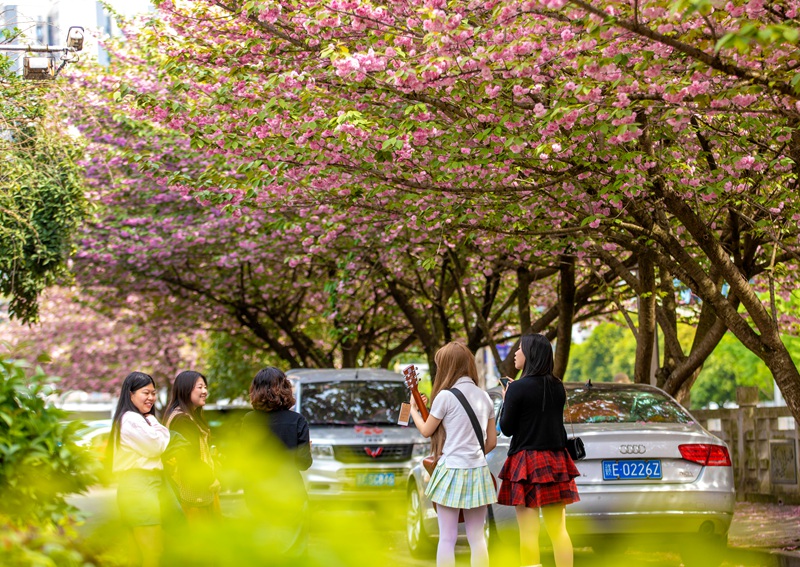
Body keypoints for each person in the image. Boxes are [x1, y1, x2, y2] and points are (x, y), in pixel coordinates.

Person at [409, 342, 497, 567]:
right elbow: (492, 442)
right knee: (477, 538)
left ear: (447, 366)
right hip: (478, 472)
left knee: (447, 538)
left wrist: (413, 410)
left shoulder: (445, 397)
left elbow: (427, 430)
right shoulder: (485, 397)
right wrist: (472, 453)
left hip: (451, 472)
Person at [498, 333, 580, 567]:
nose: (515, 353)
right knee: (559, 531)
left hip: (526, 462)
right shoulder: (557, 386)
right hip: (555, 461)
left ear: (530, 354)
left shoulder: (517, 389)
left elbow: (507, 429)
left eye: (520, 348)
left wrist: (507, 399)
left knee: (528, 533)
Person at [108, 371, 182, 567]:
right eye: (145, 393)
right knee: (153, 552)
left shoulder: (135, 418)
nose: (151, 398)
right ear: (130, 394)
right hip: (140, 486)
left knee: (139, 554)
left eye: (153, 393)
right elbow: (156, 446)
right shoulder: (131, 419)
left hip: (143, 485)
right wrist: (154, 422)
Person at [240, 367, 312, 556]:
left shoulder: (249, 420)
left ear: (256, 390)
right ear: (285, 388)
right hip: (291, 493)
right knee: (294, 551)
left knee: (264, 550)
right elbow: (304, 463)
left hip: (258, 493)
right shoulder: (297, 420)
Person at [163, 370, 220, 520]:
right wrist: (211, 478)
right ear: (186, 389)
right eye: (200, 387)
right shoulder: (182, 420)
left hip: (194, 488)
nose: (205, 391)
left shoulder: (182, 416)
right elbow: (190, 458)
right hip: (192, 491)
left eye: (205, 387)